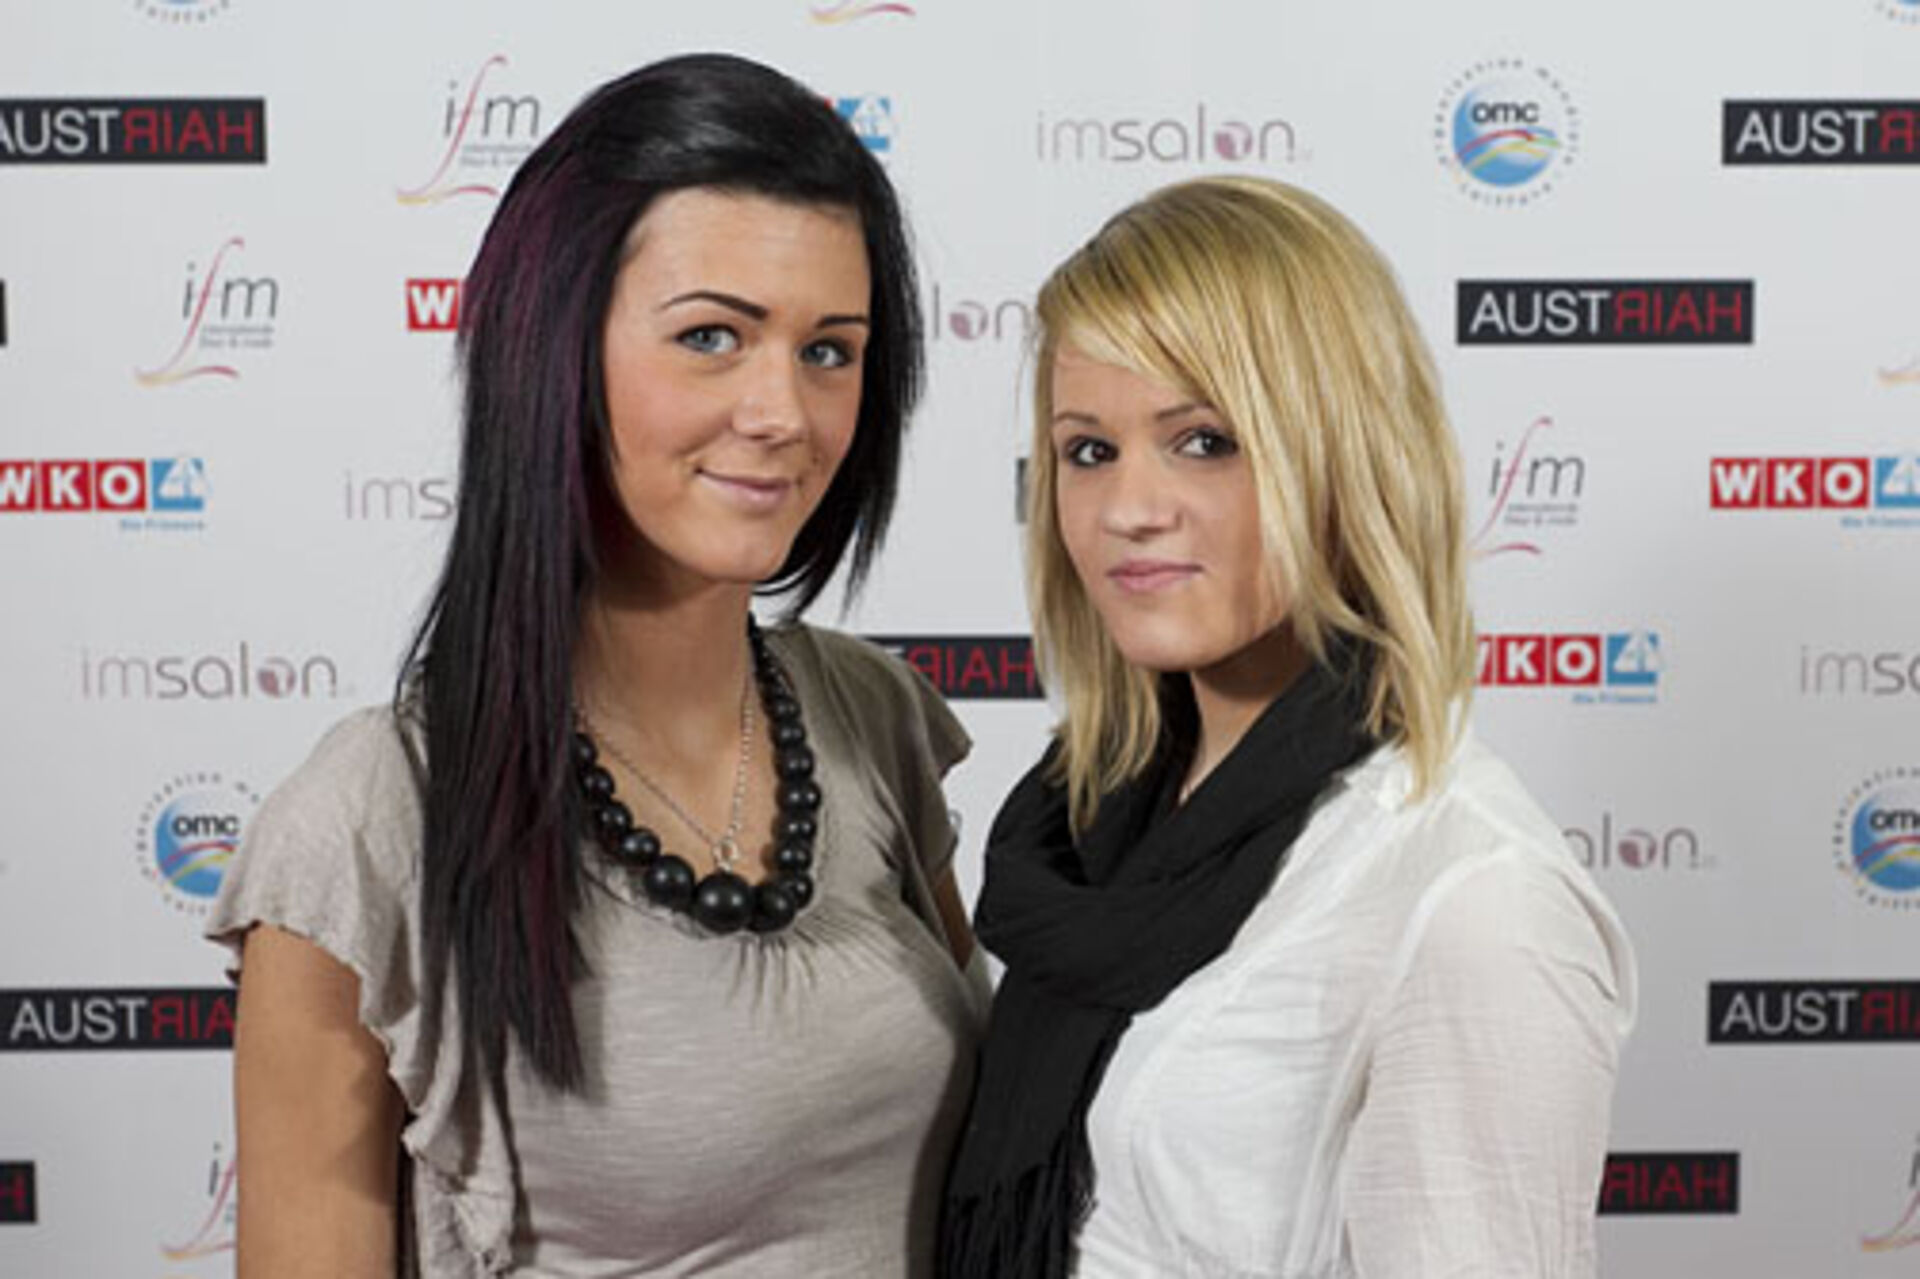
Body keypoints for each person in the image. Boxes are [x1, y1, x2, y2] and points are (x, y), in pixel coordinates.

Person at [208, 53, 981, 1278]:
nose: (783, 412)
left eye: (829, 350)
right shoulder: (365, 825)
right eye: (712, 337)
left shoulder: (870, 714)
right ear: (554, 350)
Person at [939, 176, 1636, 1279]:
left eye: (1204, 440)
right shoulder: (1085, 828)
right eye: (1089, 450)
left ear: (1344, 455)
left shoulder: (1470, 898)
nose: (1129, 509)